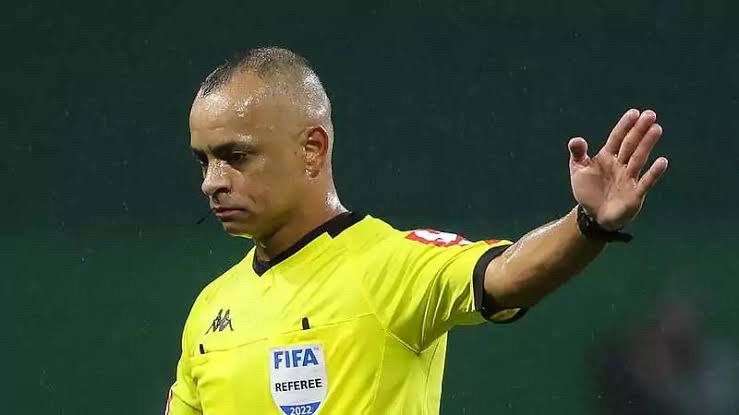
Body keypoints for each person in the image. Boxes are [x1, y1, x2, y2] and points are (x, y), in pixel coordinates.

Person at [165, 47, 669, 415]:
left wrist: (587, 225)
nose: (212, 181)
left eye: (236, 156)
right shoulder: (211, 308)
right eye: (203, 160)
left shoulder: (388, 265)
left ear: (312, 149)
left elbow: (504, 275)